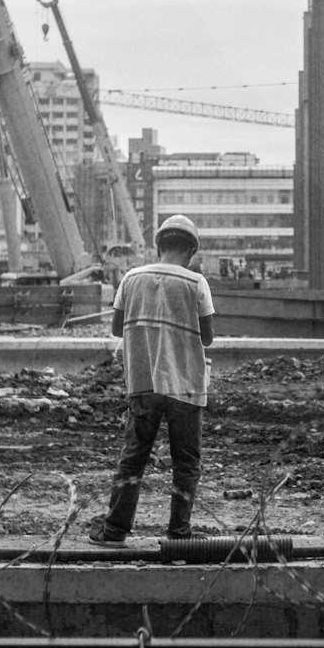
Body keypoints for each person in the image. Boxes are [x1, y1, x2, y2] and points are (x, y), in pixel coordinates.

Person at [90, 214, 215, 545]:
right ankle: (179, 534)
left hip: (143, 381)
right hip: (186, 385)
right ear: (191, 250)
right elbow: (208, 337)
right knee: (186, 464)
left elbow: (117, 329)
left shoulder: (130, 279)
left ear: (159, 246)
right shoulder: (196, 283)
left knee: (134, 456)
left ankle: (114, 530)